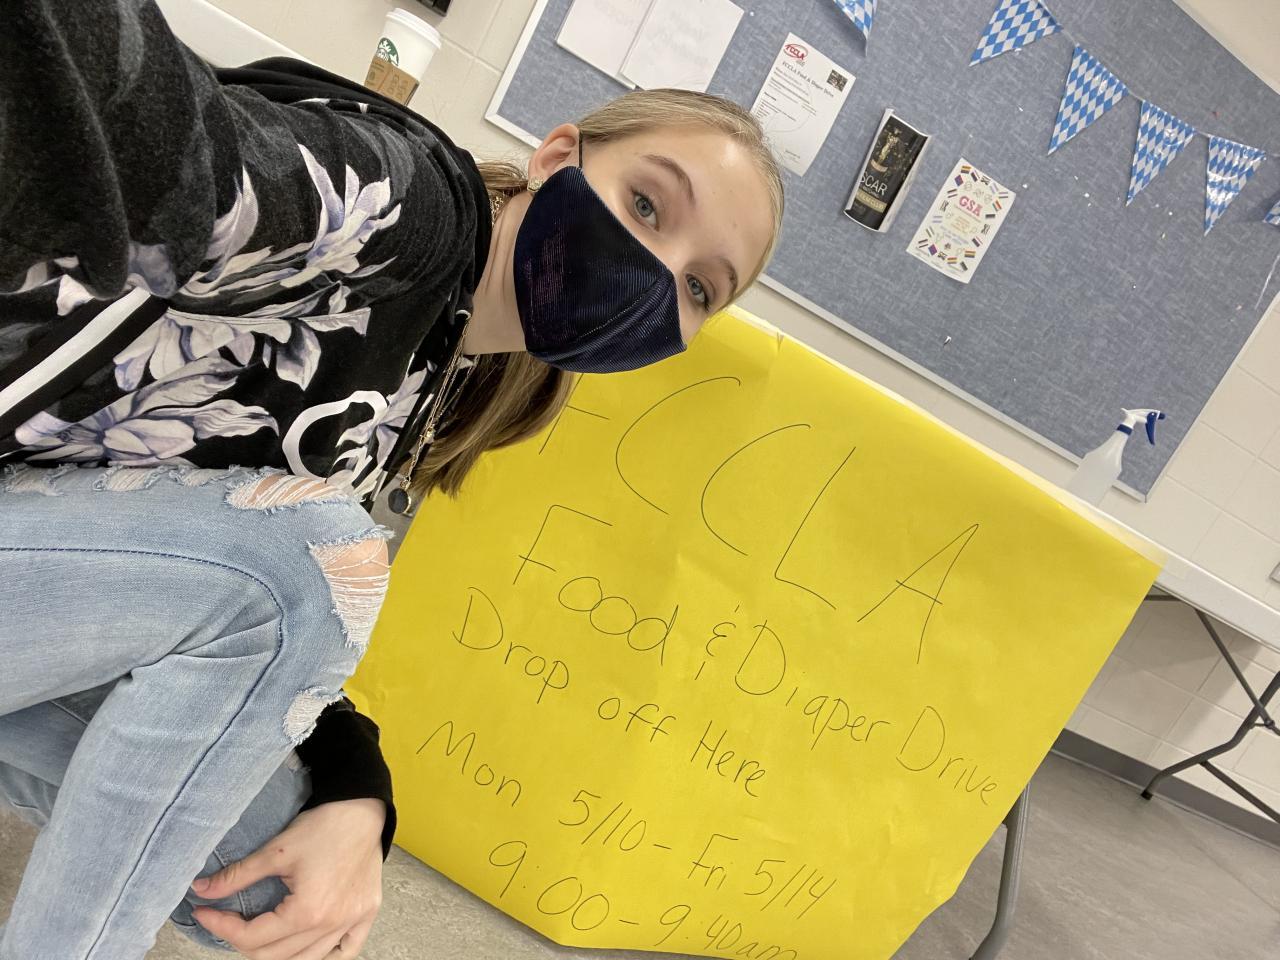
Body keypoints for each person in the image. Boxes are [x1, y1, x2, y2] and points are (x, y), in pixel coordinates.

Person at [0, 1, 785, 957]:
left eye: (700, 287)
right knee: (316, 563)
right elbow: (192, 155)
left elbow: (229, 600)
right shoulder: (411, 207)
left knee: (271, 872)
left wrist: (357, 787)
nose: (655, 270)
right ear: (556, 159)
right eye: (648, 206)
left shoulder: (447, 376)